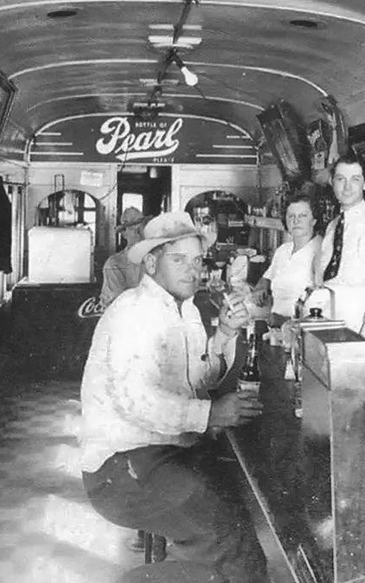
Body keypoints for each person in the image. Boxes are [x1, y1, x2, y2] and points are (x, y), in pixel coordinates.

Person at [80, 212, 268, 583]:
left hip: (163, 450)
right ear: (151, 263)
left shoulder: (187, 310)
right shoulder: (133, 311)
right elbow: (136, 401)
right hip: (121, 467)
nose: (193, 270)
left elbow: (199, 379)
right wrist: (211, 414)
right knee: (228, 536)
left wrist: (224, 334)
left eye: (197, 261)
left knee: (233, 513)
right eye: (179, 260)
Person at [312, 152, 365, 336]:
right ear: (332, 182)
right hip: (325, 319)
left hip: (357, 325)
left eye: (355, 180)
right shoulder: (333, 225)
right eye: (341, 179)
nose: (347, 187)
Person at [252, 194, 322, 321]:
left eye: (303, 216)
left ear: (314, 220)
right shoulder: (283, 250)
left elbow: (321, 308)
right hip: (276, 327)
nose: (296, 221)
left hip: (300, 328)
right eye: (291, 216)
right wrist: (261, 287)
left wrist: (283, 320)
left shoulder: (321, 250)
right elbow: (267, 277)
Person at [98, 206, 149, 310]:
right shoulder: (114, 263)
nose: (139, 234)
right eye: (134, 229)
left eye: (141, 228)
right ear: (124, 234)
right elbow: (117, 305)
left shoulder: (154, 260)